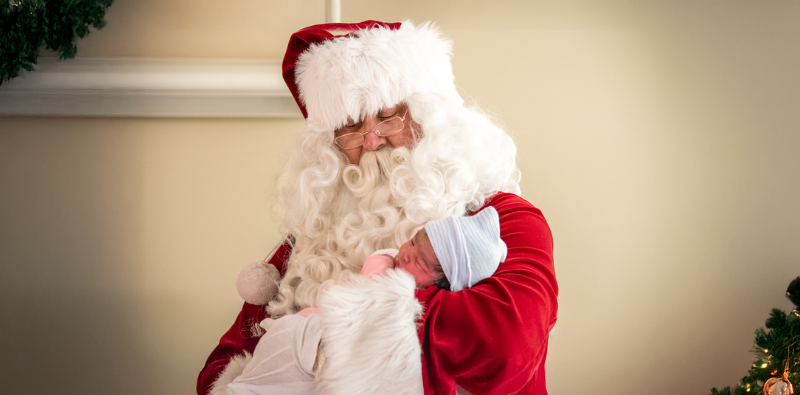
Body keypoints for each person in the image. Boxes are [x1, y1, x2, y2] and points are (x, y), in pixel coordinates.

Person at [198, 20, 558, 395]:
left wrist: (338, 332)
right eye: (351, 126)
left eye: (388, 117)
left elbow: (505, 348)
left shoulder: (502, 220)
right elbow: (221, 367)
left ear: (431, 120)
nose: (372, 140)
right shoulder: (314, 243)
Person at [226, 207, 509, 395]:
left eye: (420, 261)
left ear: (444, 284)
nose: (407, 254)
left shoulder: (432, 308)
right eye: (412, 242)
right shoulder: (385, 265)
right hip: (309, 329)